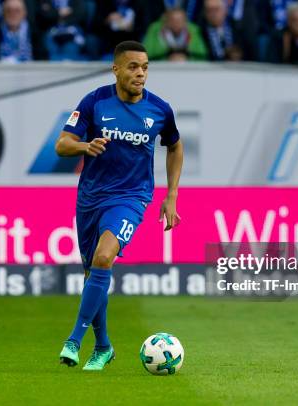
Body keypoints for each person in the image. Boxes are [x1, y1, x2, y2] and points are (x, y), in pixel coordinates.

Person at [55, 40, 184, 371]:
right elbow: (62, 145)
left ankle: (73, 341)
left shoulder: (159, 109)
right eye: (133, 67)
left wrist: (171, 195)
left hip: (132, 197)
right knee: (92, 273)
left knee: (104, 256)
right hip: (91, 197)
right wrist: (85, 145)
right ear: (116, 69)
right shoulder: (95, 102)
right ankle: (104, 347)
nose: (140, 73)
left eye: (144, 67)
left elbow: (174, 146)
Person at [143, 7, 208, 61]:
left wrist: (187, 58)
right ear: (166, 22)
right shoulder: (155, 30)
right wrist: (167, 58)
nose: (176, 23)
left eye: (179, 20)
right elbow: (145, 56)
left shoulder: (194, 31)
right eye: (173, 20)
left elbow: (203, 56)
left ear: (185, 22)